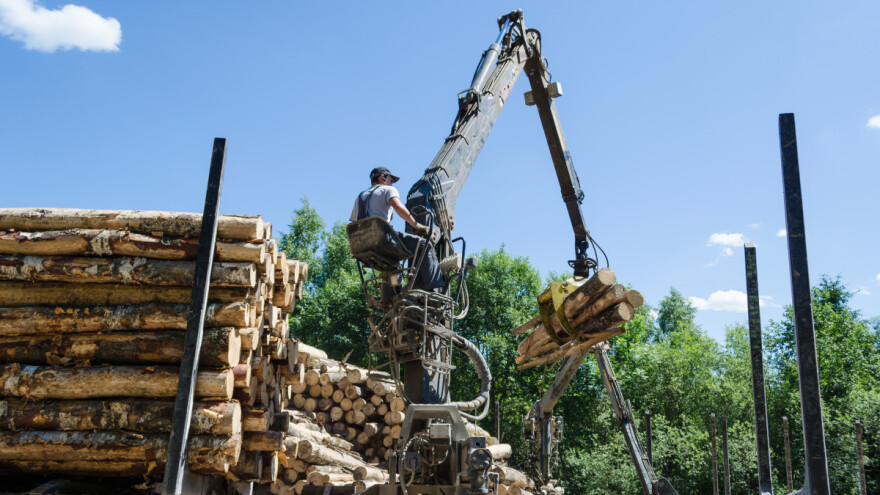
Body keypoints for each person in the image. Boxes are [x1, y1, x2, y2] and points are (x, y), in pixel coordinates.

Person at [350, 167, 444, 291]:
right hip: (381, 239)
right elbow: (397, 206)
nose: (391, 182)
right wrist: (417, 225)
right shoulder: (388, 189)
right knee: (423, 245)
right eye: (390, 179)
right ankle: (434, 289)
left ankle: (393, 296)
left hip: (362, 245)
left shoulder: (360, 196)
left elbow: (354, 221)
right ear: (383, 177)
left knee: (392, 263)